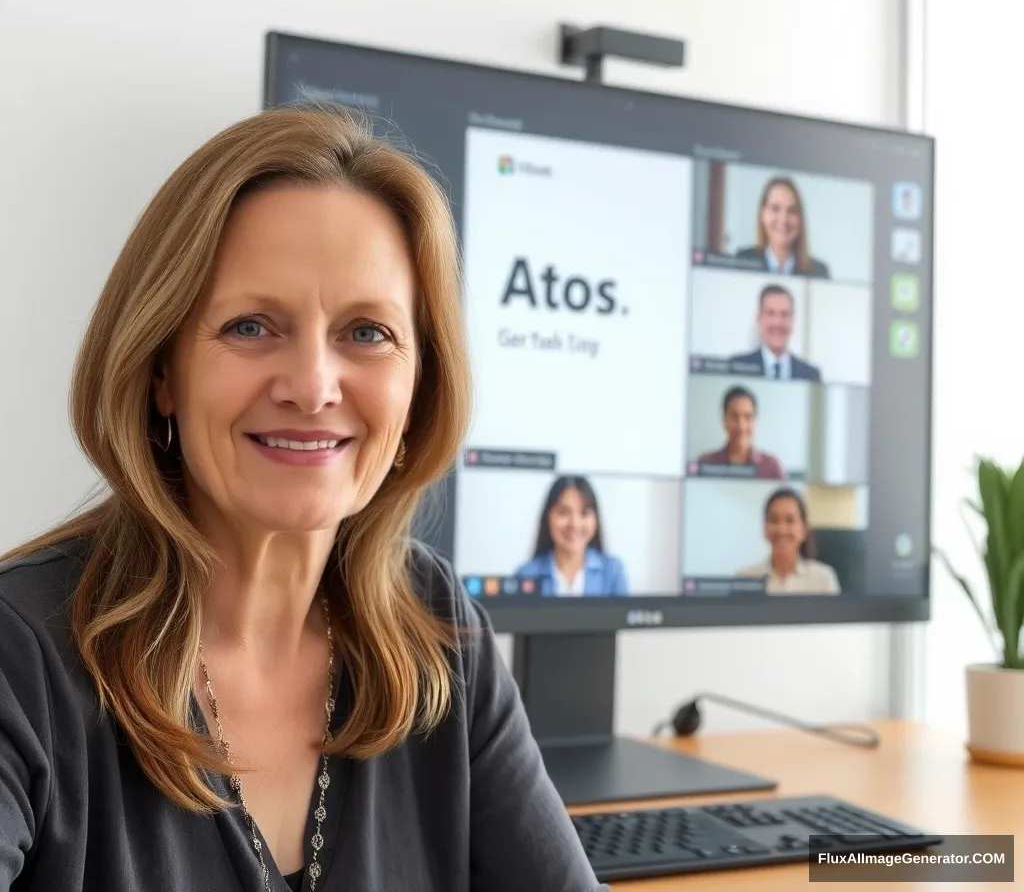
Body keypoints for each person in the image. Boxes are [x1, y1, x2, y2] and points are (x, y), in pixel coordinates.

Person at [0, 106, 607, 892]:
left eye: (367, 333)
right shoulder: (21, 657)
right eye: (252, 326)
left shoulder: (437, 628)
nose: (314, 387)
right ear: (160, 370)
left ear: (420, 383)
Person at [515, 477, 628, 597]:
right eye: (563, 512)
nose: (574, 524)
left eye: (584, 513)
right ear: (548, 517)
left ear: (596, 519)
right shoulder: (526, 575)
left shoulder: (612, 572)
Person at [735, 487, 841, 594]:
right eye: (774, 520)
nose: (781, 530)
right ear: (765, 527)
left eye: (790, 521)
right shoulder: (745, 580)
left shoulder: (823, 579)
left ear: (804, 529)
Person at [735, 176, 830, 278]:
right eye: (775, 209)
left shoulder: (818, 271)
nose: (783, 219)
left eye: (791, 211)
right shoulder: (742, 261)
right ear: (763, 214)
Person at [728, 284, 822, 382]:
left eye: (784, 314)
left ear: (792, 321)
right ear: (759, 319)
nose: (777, 323)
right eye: (771, 314)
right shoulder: (736, 367)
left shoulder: (810, 374)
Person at [697, 385, 786, 479]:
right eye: (734, 417)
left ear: (755, 422)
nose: (741, 427)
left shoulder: (771, 467)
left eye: (748, 417)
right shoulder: (706, 463)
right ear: (724, 420)